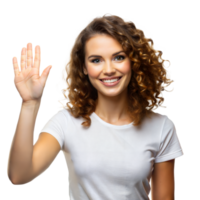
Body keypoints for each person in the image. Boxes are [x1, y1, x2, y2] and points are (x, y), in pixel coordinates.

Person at [7, 13, 185, 200]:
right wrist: (30, 104)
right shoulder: (66, 122)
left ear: (133, 61)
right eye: (96, 60)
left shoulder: (162, 127)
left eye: (118, 57)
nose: (108, 69)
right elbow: (19, 176)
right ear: (84, 67)